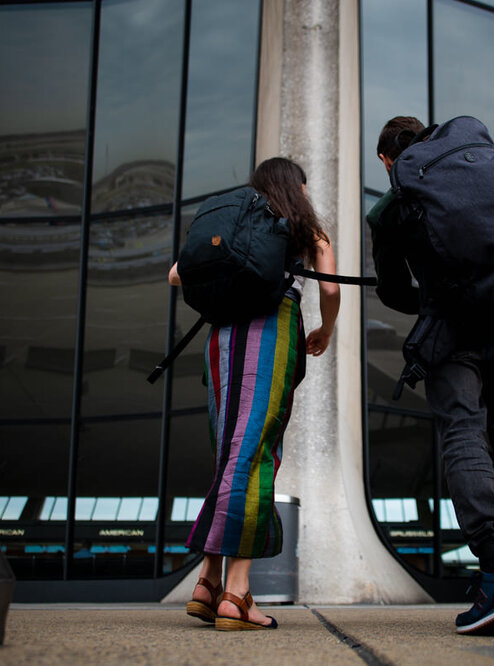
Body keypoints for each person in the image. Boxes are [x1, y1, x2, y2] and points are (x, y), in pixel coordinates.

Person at [368, 116, 494, 635]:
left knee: (463, 434)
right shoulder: (480, 169)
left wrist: (434, 301)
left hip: (454, 333)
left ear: (388, 160)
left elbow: (393, 291)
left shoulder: (392, 207)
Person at [169, 157, 340, 631]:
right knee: (256, 452)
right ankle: (238, 595)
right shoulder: (303, 226)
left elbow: (176, 275)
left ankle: (207, 583)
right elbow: (329, 288)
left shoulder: (240, 220)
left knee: (230, 454)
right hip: (272, 334)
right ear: (296, 186)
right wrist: (327, 329)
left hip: (222, 339)